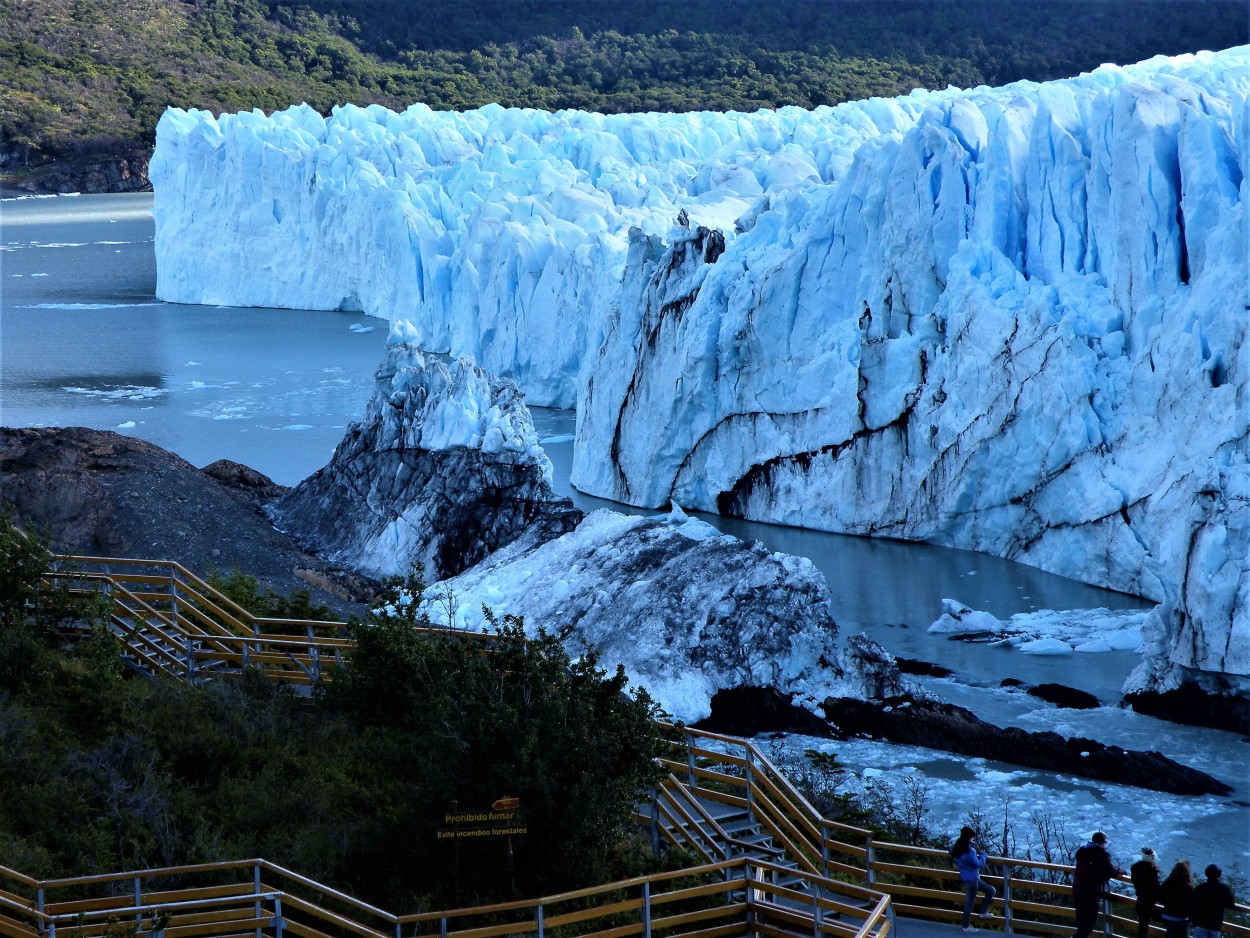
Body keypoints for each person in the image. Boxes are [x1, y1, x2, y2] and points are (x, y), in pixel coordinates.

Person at [1073, 831, 1125, 938]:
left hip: (1077, 889)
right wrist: (1121, 870)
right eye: (1104, 842)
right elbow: (1111, 870)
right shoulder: (1099, 853)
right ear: (1102, 842)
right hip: (1090, 890)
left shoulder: (1082, 851)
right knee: (1091, 920)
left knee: (1081, 918)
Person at [950, 825, 996, 932]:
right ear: (969, 838)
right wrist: (984, 855)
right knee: (969, 903)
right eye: (972, 838)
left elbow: (951, 851)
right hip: (973, 880)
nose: (973, 839)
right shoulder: (970, 852)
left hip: (967, 879)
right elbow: (978, 864)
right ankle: (966, 926)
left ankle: (983, 913)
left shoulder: (956, 848)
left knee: (991, 890)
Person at [1190, 864, 1237, 938]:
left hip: (1199, 923)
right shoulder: (1224, 889)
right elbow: (1231, 904)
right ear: (1219, 874)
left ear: (1206, 874)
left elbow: (1191, 902)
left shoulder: (1200, 888)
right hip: (1215, 924)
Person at [1131, 847, 1162, 938]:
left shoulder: (1135, 868)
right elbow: (1156, 888)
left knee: (1142, 930)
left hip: (1140, 903)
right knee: (1168, 920)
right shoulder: (1151, 871)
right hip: (1149, 905)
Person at [1159, 860, 1195, 938]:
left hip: (1167, 916)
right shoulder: (1189, 887)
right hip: (1181, 918)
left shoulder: (1167, 883)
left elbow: (1159, 897)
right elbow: (1193, 904)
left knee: (1170, 933)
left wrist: (1167, 903)